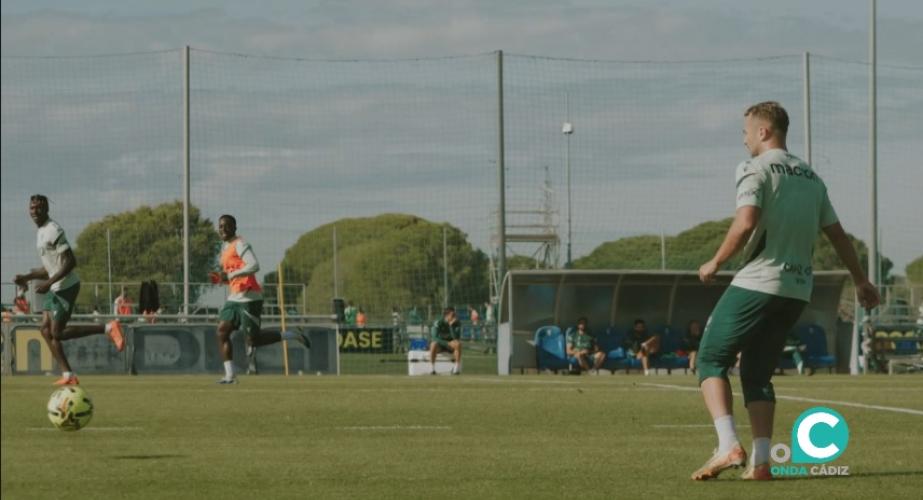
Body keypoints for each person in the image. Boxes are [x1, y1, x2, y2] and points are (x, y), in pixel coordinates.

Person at [691, 102, 880, 481]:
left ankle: (728, 445)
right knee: (758, 373)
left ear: (763, 131)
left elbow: (745, 223)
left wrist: (716, 261)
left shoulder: (753, 168)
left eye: (746, 132)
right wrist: (860, 279)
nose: (744, 140)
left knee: (710, 359)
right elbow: (837, 234)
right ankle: (761, 462)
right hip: (797, 290)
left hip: (758, 282)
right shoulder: (811, 177)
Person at [13, 194, 125, 385]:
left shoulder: (53, 230)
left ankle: (108, 327)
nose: (35, 211)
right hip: (55, 287)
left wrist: (48, 284)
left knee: (57, 333)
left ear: (47, 209)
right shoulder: (40, 232)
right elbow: (49, 268)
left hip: (66, 287)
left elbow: (70, 262)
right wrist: (27, 277)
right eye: (32, 208)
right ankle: (68, 375)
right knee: (45, 330)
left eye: (39, 208)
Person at [211, 214, 308, 384]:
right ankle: (230, 375)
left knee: (253, 340)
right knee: (221, 332)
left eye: (227, 226)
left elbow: (254, 265)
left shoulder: (240, 244)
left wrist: (231, 274)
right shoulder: (224, 248)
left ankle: (293, 335)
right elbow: (233, 273)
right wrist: (224, 279)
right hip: (234, 298)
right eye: (220, 226)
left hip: (250, 298)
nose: (223, 229)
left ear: (234, 227)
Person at [429, 306, 462, 375]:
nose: (454, 316)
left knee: (458, 344)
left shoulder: (457, 323)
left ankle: (456, 369)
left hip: (451, 345)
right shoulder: (438, 322)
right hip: (441, 345)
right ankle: (432, 369)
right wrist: (447, 343)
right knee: (433, 344)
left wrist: (451, 326)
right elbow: (434, 337)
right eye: (452, 315)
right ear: (447, 315)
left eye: (455, 315)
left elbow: (456, 338)